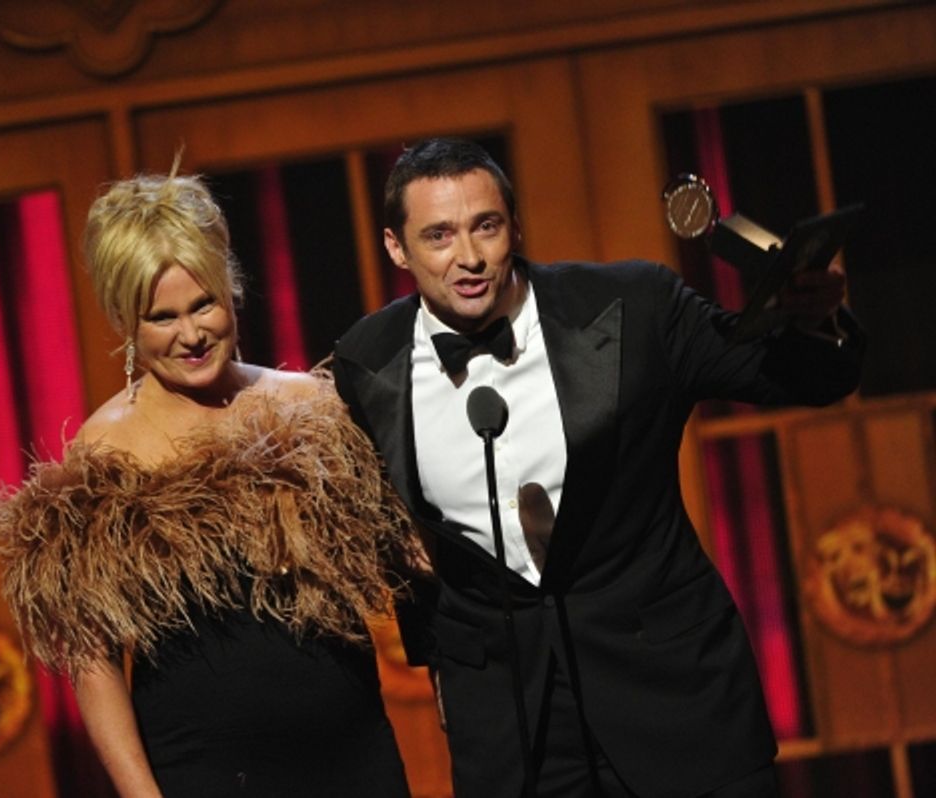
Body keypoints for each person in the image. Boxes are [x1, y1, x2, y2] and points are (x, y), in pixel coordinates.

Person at [331, 137, 863, 798]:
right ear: (396, 247)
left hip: (675, 702)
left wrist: (819, 320)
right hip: (512, 732)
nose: (467, 257)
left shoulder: (635, 306)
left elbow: (792, 375)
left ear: (515, 227)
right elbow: (374, 527)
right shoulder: (366, 363)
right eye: (438, 236)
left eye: (485, 227)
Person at [0, 165, 425, 797]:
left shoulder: (310, 407)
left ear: (231, 289)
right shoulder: (103, 454)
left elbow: (405, 558)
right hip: (203, 773)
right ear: (125, 323)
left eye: (203, 304)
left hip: (353, 758)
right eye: (161, 317)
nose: (190, 335)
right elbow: (92, 660)